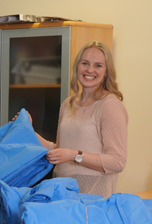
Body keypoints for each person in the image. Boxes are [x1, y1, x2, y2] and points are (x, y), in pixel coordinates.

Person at [29, 41, 127, 197]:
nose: (90, 70)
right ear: (77, 66)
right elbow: (60, 150)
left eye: (98, 65)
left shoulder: (109, 105)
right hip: (62, 192)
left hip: (93, 195)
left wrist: (74, 155)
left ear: (107, 71)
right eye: (85, 63)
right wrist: (27, 130)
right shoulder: (68, 104)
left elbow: (117, 162)